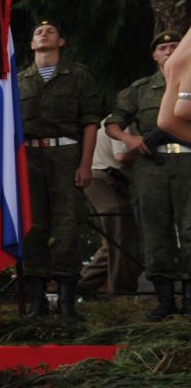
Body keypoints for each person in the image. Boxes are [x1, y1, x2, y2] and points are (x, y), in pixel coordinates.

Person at [18, 20, 107, 319]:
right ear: (31, 44)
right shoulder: (17, 82)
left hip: (67, 154)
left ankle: (67, 300)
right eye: (38, 32)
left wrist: (85, 163)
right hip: (28, 158)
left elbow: (90, 122)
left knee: (68, 225)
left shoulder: (78, 76)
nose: (43, 34)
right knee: (33, 227)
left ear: (62, 41)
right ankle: (38, 300)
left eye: (51, 31)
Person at [104, 30, 190, 319]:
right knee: (155, 231)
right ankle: (165, 299)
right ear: (154, 55)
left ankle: (189, 298)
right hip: (152, 167)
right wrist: (130, 141)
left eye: (174, 46)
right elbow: (114, 124)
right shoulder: (139, 89)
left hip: (189, 163)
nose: (168, 51)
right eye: (163, 47)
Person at [80, 124, 144, 298]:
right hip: (106, 179)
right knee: (122, 240)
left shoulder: (110, 122)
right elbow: (122, 155)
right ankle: (122, 292)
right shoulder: (124, 124)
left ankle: (80, 284)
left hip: (100, 179)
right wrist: (150, 153)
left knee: (113, 242)